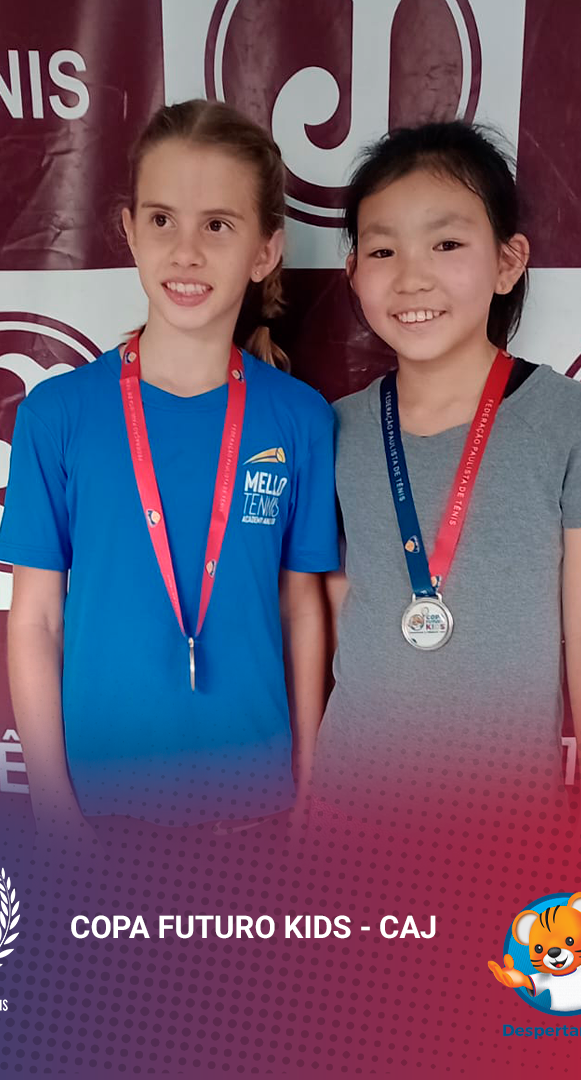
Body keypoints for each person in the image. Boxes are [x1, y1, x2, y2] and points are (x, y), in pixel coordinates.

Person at [0, 99, 338, 840]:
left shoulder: (301, 418)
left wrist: (309, 790)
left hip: (255, 810)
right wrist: (55, 813)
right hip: (101, 816)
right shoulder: (56, 415)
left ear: (265, 251)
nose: (186, 253)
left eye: (217, 225)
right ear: (128, 231)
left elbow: (301, 608)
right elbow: (36, 620)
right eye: (162, 220)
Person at [312, 121, 581, 839]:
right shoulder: (334, 428)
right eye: (382, 250)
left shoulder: (565, 419)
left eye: (447, 243)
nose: (412, 277)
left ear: (507, 262)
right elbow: (332, 607)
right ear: (353, 272)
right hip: (349, 807)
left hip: (504, 819)